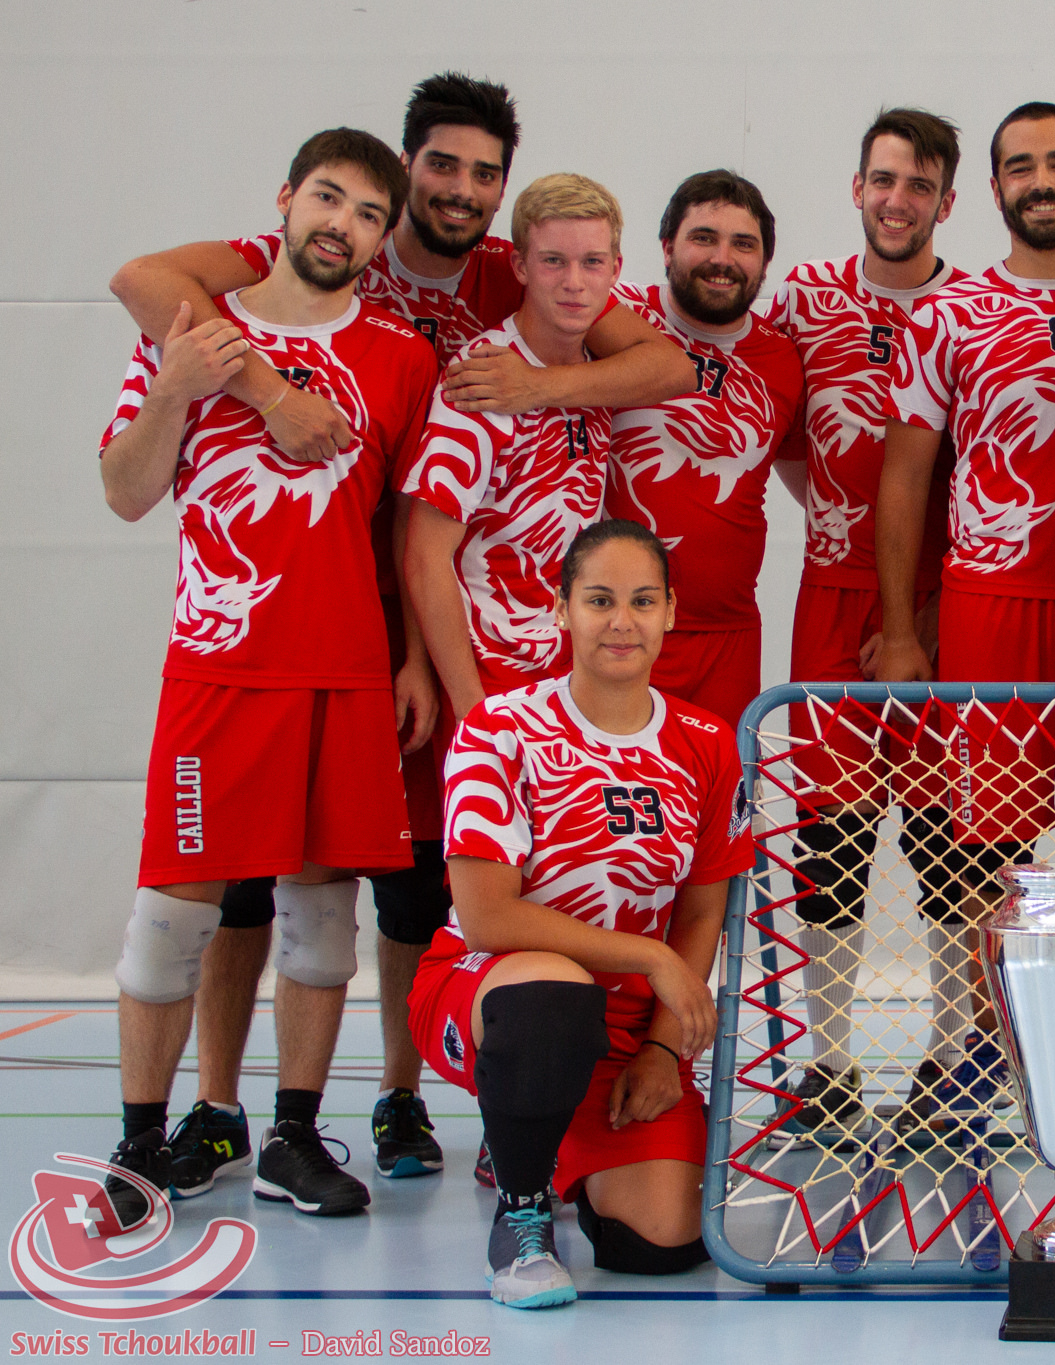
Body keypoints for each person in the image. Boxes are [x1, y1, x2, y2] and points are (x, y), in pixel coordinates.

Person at [105, 73, 696, 1192]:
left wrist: (533, 389)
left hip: (374, 647)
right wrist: (266, 393)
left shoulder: (483, 291)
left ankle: (363, 1107)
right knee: (214, 900)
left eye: (483, 173)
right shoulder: (255, 297)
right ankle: (205, 1113)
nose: (459, 189)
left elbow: (664, 364)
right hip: (263, 645)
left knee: (382, 894)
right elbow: (139, 288)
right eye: (439, 168)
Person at [98, 128, 439, 1222]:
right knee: (172, 916)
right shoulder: (195, 329)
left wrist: (412, 657)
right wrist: (185, 390)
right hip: (221, 667)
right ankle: (139, 1145)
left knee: (323, 919)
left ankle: (292, 1134)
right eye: (328, 199)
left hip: (345, 670)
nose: (343, 225)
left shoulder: (400, 356)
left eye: (369, 214)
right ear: (285, 201)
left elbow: (408, 528)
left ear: (382, 239)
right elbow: (125, 492)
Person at [875, 101, 1055, 1126]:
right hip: (990, 604)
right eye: (1021, 166)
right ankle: (977, 1044)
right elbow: (905, 479)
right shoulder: (946, 314)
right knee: (982, 849)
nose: (1042, 181)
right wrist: (901, 627)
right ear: (994, 188)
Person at [408, 518, 753, 1308]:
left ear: (670, 611)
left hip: (622, 1021)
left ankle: (545, 1129)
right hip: (494, 988)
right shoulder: (500, 729)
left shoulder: (706, 742)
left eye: (642, 601)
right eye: (599, 600)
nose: (621, 622)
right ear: (561, 609)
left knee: (661, 1242)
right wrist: (652, 958)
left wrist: (661, 1048)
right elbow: (488, 917)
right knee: (554, 996)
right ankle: (522, 1212)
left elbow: (701, 913)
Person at [763, 108, 968, 1131]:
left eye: (919, 185)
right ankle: (835, 1065)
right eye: (883, 180)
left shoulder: (974, 305)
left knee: (951, 844)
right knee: (831, 840)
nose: (897, 200)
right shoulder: (805, 297)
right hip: (832, 598)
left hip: (947, 604)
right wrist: (845, 529)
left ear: (946, 203)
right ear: (856, 188)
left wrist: (915, 603)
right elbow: (777, 433)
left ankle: (956, 1060)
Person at [403, 173, 623, 723]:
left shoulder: (599, 374)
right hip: (490, 670)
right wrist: (472, 711)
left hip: (571, 670)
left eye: (592, 262)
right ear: (521, 266)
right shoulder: (483, 377)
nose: (574, 283)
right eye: (553, 262)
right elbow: (425, 556)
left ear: (616, 270)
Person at [606, 170, 806, 727]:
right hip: (616, 625)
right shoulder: (614, 316)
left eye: (743, 244)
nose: (723, 259)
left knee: (726, 785)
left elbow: (811, 484)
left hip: (728, 636)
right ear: (666, 246)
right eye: (703, 238)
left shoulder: (783, 358)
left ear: (765, 262)